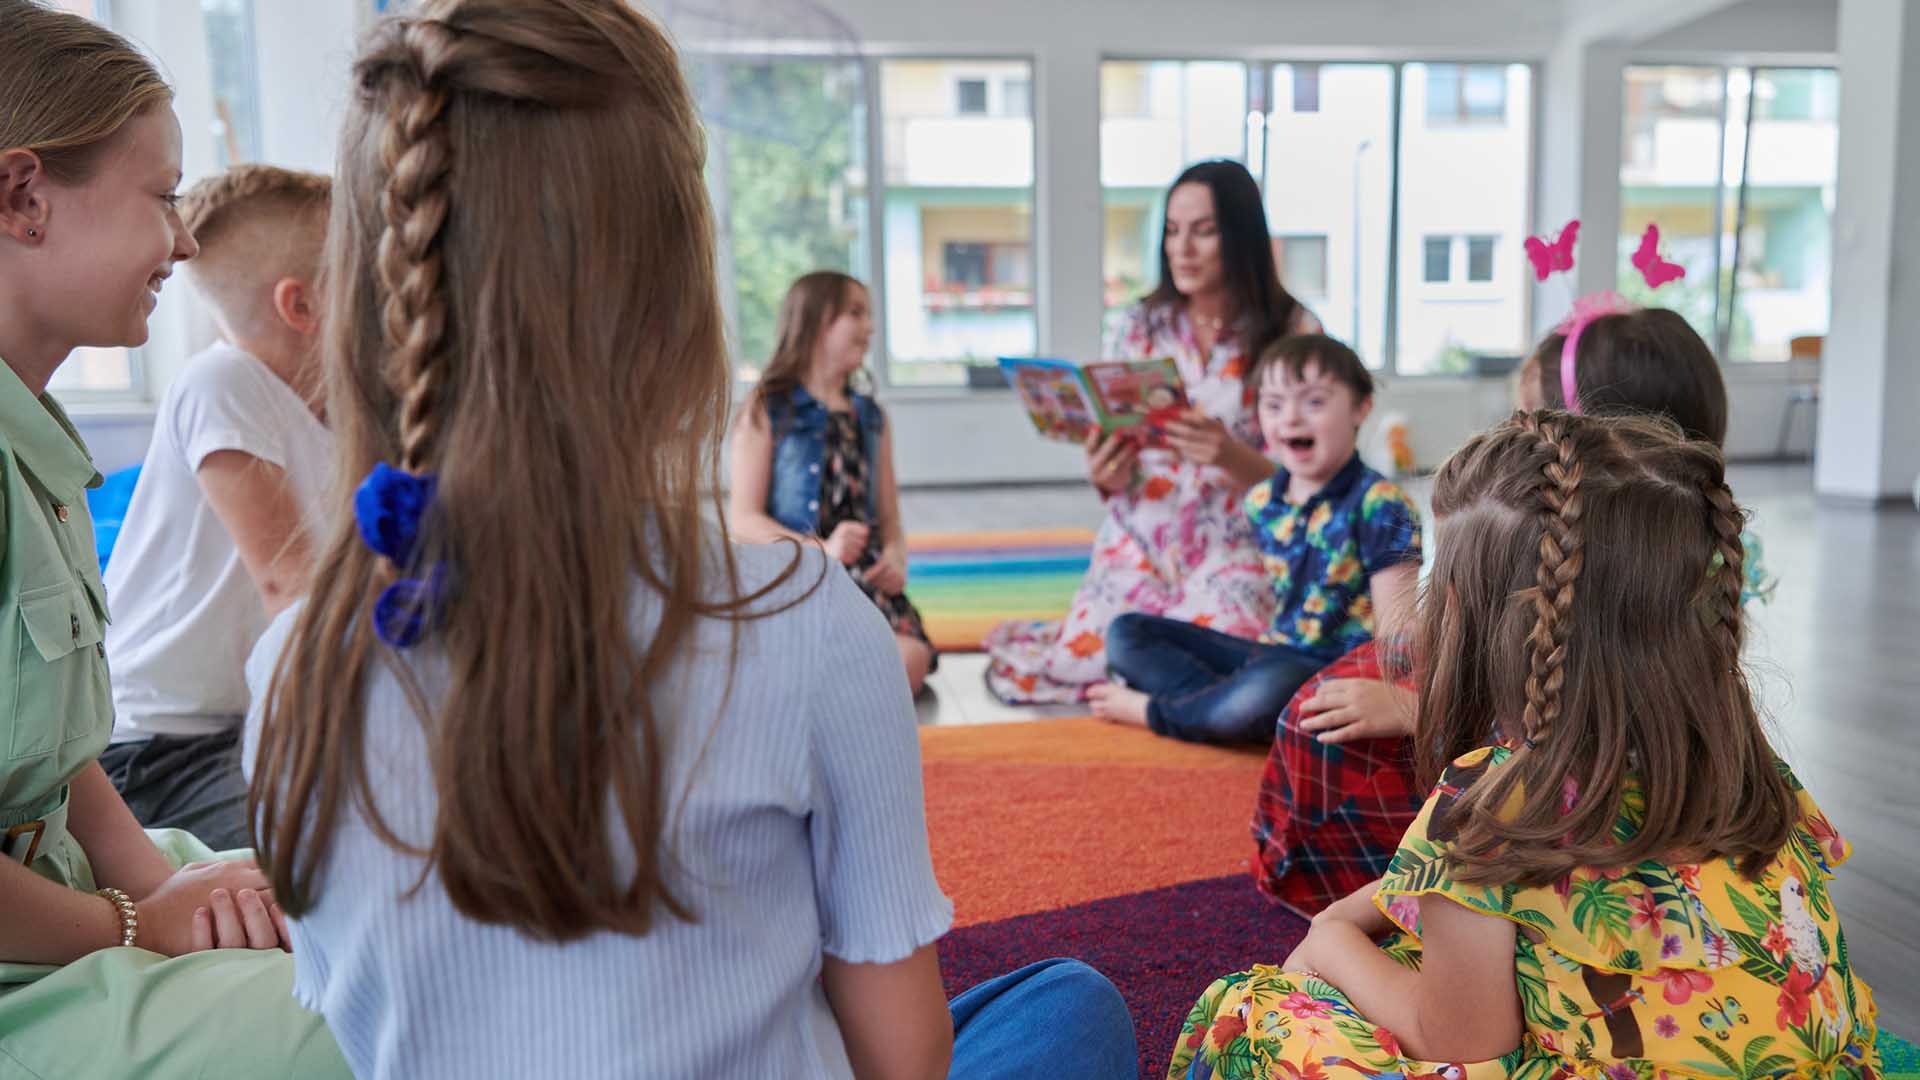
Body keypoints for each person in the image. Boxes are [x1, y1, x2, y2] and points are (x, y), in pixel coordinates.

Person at [243, 3, 1135, 1078]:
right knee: (1070, 1005)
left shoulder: (291, 675)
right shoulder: (802, 623)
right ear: (673, 300)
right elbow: (906, 1062)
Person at [1171, 412, 1880, 1080]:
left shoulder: (1487, 805)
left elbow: (1460, 1042)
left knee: (1249, 1013)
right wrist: (1389, 898)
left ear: (1479, 624)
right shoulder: (1745, 765)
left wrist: (1331, 935)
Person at [0, 4, 348, 1076]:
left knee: (368, 911)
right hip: (40, 946)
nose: (184, 240)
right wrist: (142, 925)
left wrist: (154, 885)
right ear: (22, 198)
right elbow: (291, 581)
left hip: (67, 883)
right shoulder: (222, 386)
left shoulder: (37, 445)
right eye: (162, 199)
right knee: (366, 1023)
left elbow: (57, 764)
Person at [1250, 302, 1768, 912]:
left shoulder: (1588, 593)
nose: (1519, 435)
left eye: (1533, 419)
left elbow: (1560, 727)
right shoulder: (1684, 554)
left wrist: (1420, 710)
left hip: (1550, 864)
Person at [985, 159, 1321, 705]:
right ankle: (1170, 694)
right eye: (1172, 230)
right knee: (1079, 661)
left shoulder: (1294, 331)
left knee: (1225, 652)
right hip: (1140, 537)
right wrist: (1105, 472)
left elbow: (1317, 483)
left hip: (1236, 545)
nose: (1181, 248)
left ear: (1240, 236)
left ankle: (1161, 698)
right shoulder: (1141, 325)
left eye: (1204, 231)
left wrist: (1231, 457)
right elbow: (1120, 456)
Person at [99, 164, 332, 851]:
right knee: (315, 862)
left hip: (242, 724)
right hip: (154, 748)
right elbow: (291, 586)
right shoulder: (221, 380)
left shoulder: (334, 412)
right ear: (302, 307)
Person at [1088, 334, 1420, 745]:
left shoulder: (1381, 503)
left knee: (1271, 686)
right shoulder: (1263, 498)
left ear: (1361, 408)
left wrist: (1397, 696)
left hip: (1333, 670)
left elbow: (1398, 631)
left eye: (1314, 402)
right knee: (1126, 633)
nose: (1291, 419)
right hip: (1271, 654)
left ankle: (1161, 713)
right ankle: (1229, 714)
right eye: (1274, 404)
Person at [728, 270, 936, 696]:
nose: (870, 327)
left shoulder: (871, 417)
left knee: (912, 659)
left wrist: (895, 560)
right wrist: (824, 551)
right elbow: (743, 520)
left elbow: (890, 521)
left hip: (863, 586)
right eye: (855, 313)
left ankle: (821, 686)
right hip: (795, 578)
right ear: (815, 322)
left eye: (869, 315)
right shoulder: (768, 409)